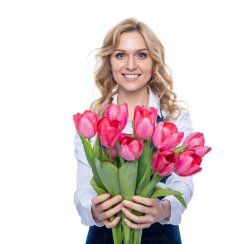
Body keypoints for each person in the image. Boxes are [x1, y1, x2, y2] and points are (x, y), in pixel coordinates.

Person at [74, 18, 194, 244]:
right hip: (104, 236)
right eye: (120, 55)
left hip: (161, 236)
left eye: (141, 55)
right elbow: (83, 189)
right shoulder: (94, 121)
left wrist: (163, 208)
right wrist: (93, 209)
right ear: (110, 62)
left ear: (153, 61)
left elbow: (183, 183)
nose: (130, 65)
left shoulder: (173, 119)